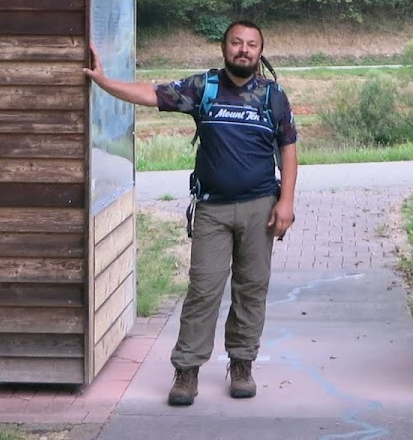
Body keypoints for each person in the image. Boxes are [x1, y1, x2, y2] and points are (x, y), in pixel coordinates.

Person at [83, 20, 298, 406]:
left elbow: (289, 148)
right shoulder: (204, 89)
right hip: (212, 209)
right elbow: (150, 93)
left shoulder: (273, 96)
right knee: (203, 291)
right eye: (237, 42)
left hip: (259, 208)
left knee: (252, 289)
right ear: (224, 48)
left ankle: (242, 364)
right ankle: (186, 371)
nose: (243, 50)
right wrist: (104, 81)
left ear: (259, 52)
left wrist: (287, 202)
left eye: (251, 44)